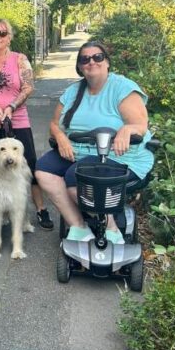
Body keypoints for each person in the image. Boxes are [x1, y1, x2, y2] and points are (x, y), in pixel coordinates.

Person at [34, 41, 154, 244]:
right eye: (85, 59)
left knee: (76, 176)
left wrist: (127, 129)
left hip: (119, 154)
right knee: (43, 169)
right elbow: (54, 124)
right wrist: (61, 137)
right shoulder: (73, 91)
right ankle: (79, 226)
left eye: (97, 57)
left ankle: (111, 229)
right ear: (80, 67)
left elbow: (140, 124)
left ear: (107, 62)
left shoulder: (122, 88)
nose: (91, 62)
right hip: (78, 151)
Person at [0, 18, 53, 229]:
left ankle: (40, 209)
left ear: (9, 37)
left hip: (17, 121)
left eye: (2, 33)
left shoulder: (19, 59)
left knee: (28, 164)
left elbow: (28, 87)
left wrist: (11, 106)